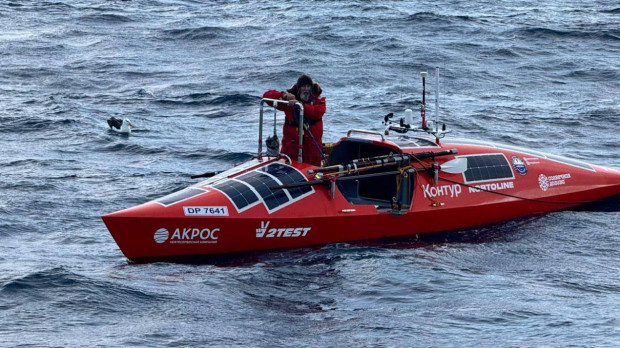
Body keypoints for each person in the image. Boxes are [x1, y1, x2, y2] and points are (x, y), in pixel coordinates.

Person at [263, 74, 326, 166]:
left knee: (315, 172)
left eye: (308, 86)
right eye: (303, 86)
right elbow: (266, 96)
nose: (306, 89)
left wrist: (300, 105)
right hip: (291, 151)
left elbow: (318, 112)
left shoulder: (319, 101)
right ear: (298, 88)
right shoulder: (289, 101)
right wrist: (283, 96)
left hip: (312, 152)